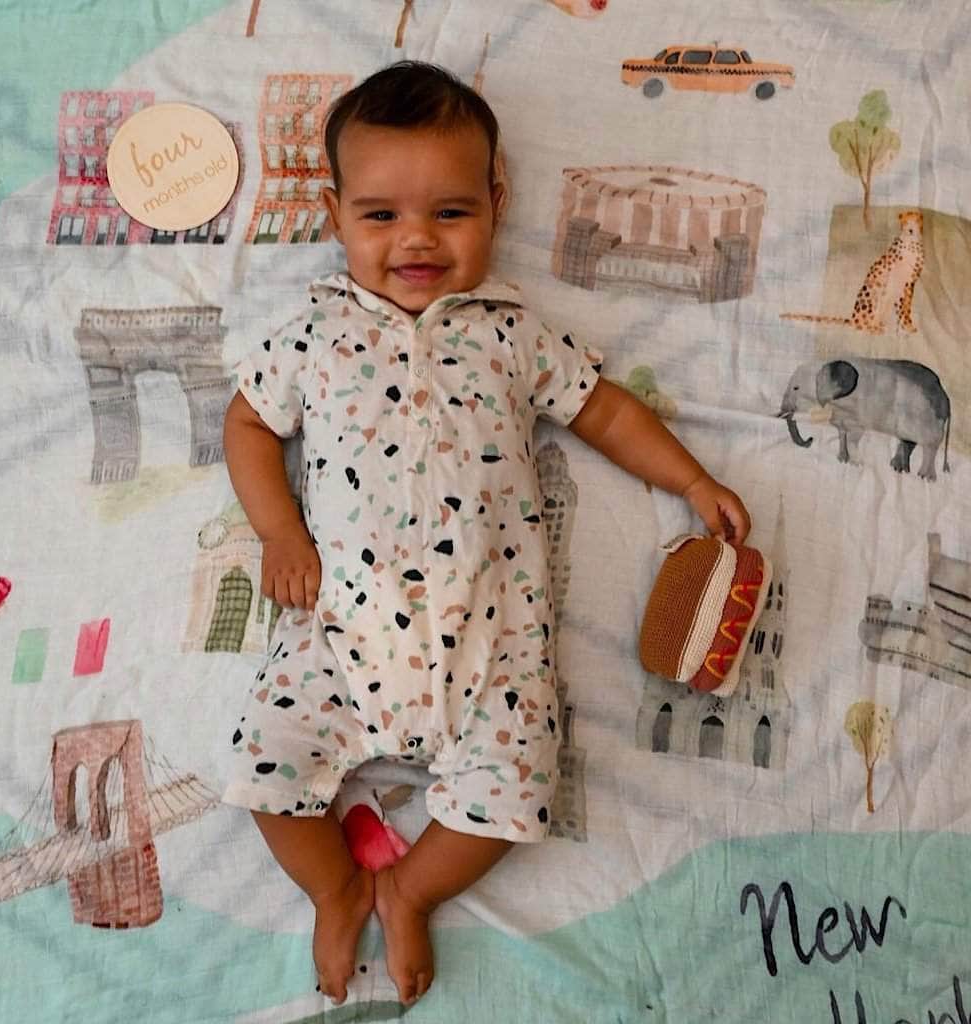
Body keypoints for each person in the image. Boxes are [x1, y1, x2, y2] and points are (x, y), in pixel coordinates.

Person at [221, 60, 750, 1008]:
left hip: (492, 636)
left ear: (497, 202)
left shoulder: (513, 332)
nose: (415, 240)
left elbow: (606, 414)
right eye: (380, 217)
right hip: (341, 628)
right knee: (266, 764)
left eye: (451, 214)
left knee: (518, 794)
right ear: (335, 213)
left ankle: (410, 889)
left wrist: (691, 478)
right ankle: (334, 887)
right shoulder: (315, 330)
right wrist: (278, 532)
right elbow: (250, 423)